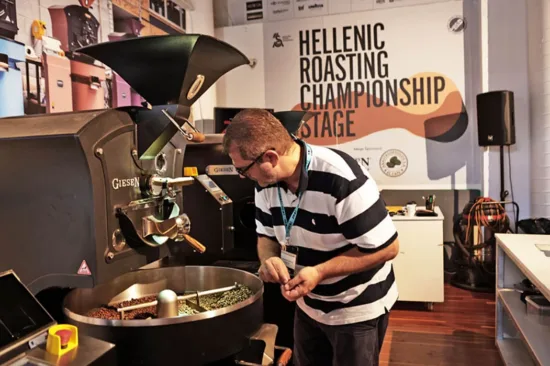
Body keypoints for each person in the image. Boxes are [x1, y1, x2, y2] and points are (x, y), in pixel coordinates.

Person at [222, 109, 400, 366]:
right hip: (308, 305)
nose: (243, 177)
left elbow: (387, 248)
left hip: (355, 308)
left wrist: (319, 272)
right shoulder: (265, 183)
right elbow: (265, 235)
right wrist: (269, 259)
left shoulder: (342, 177)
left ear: (270, 157)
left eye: (244, 170)